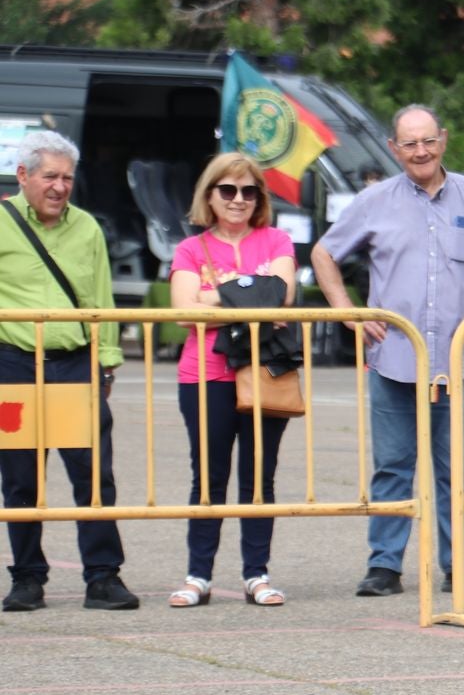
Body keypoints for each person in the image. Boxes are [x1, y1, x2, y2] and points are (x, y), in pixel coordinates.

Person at [311, 104, 464, 597]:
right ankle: (384, 566)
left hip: (461, 360)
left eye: (428, 140)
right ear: (394, 149)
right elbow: (324, 253)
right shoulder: (375, 201)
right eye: (409, 144)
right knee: (392, 466)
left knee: (459, 467)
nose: (420, 151)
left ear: (444, 140)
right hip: (393, 359)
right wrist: (348, 312)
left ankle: (463, 564)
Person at [0, 130, 138, 612]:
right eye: (49, 177)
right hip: (14, 365)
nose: (59, 187)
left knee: (94, 476)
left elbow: (102, 298)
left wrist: (107, 363)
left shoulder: (87, 229)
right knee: (20, 479)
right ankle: (27, 578)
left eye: (67, 178)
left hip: (76, 364)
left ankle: (103, 576)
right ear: (23, 176)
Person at [167, 152, 296, 608]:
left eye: (249, 191)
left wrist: (213, 294)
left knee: (260, 476)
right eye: (228, 190)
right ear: (210, 194)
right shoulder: (189, 248)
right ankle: (198, 574)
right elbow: (184, 312)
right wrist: (247, 291)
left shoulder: (278, 240)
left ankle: (256, 573)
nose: (239, 199)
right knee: (208, 475)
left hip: (264, 371)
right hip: (204, 373)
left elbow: (277, 297)